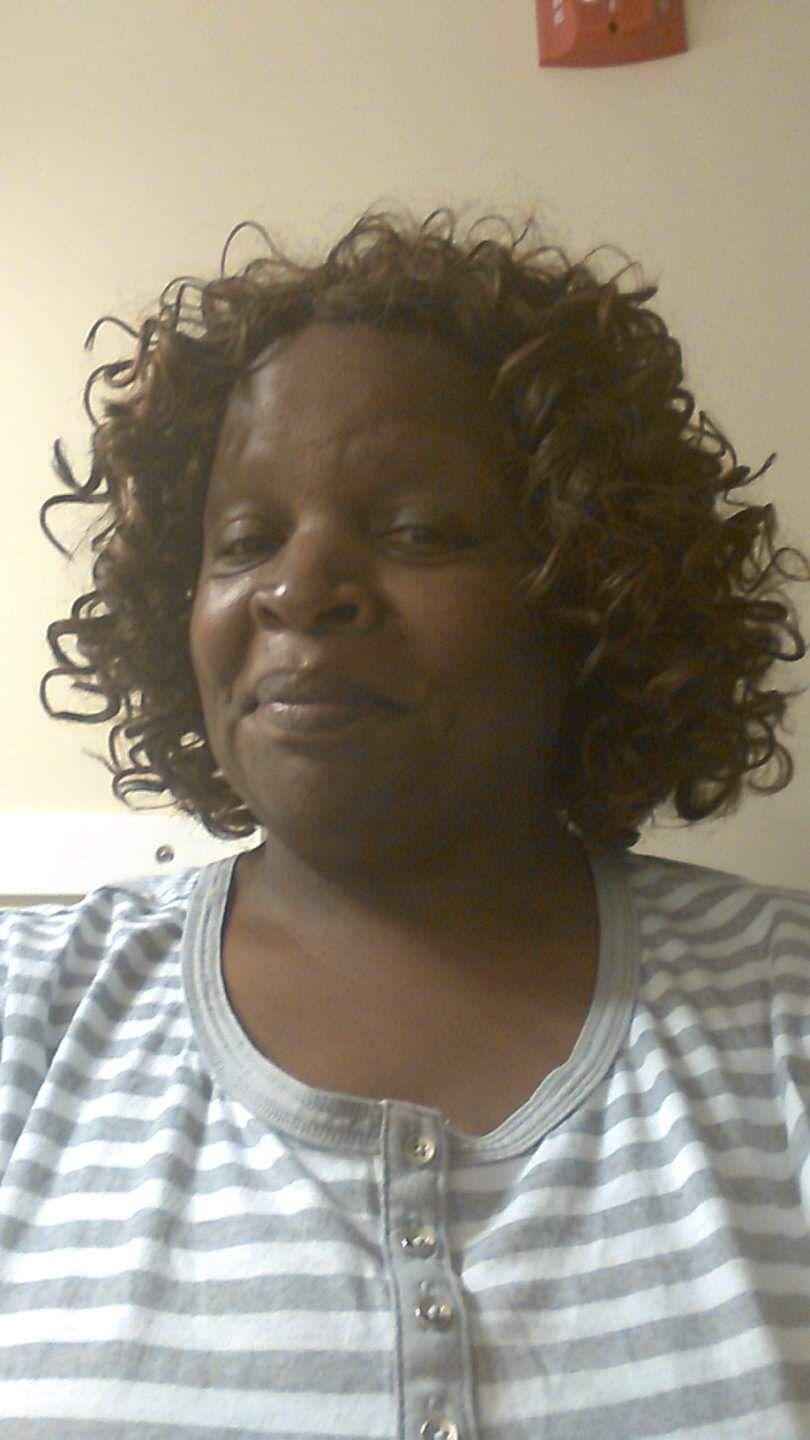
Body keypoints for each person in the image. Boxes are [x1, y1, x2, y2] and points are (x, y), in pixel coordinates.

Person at [1, 208, 809, 1439]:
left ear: (586, 588)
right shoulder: (30, 1015)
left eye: (417, 531)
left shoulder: (783, 1011)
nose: (296, 589)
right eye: (244, 540)